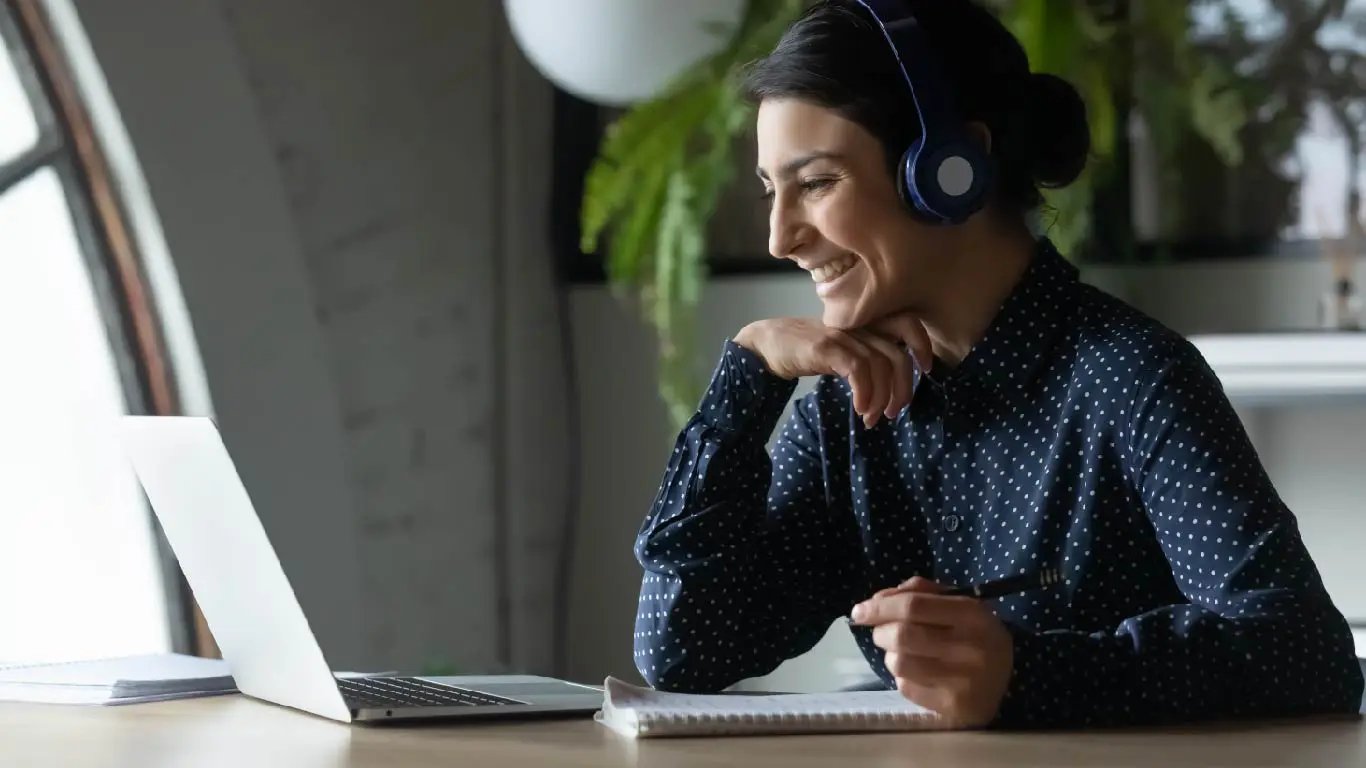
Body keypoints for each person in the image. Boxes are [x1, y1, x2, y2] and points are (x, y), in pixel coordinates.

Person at [630, 0, 1363, 728]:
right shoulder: (845, 410)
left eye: (816, 183)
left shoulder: (1131, 376)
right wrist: (747, 379)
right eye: (770, 191)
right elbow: (683, 650)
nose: (780, 237)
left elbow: (1305, 651)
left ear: (950, 171)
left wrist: (1023, 674)